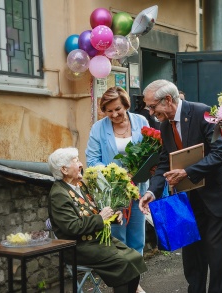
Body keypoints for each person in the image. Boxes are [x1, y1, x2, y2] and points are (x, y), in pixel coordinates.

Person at [139, 79, 222, 293]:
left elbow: (221, 154)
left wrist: (187, 172)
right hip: (190, 199)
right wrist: (151, 191)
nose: (149, 112)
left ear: (168, 100)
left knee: (217, 255)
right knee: (192, 257)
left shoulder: (202, 113)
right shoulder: (165, 125)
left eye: (152, 106)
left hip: (218, 196)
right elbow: (165, 162)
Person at [47, 147, 147, 293]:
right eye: (76, 161)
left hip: (95, 241)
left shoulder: (79, 185)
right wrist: (101, 218)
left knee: (134, 258)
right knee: (122, 264)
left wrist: (113, 216)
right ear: (64, 170)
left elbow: (93, 212)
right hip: (78, 247)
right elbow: (72, 227)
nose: (81, 164)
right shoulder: (58, 194)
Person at [86, 86, 149, 293]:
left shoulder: (141, 122)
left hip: (138, 187)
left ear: (126, 105)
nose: (113, 115)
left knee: (137, 237)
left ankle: (134, 280)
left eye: (117, 110)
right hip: (112, 191)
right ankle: (123, 282)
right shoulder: (98, 128)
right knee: (117, 237)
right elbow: (93, 160)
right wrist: (117, 176)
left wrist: (139, 171)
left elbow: (150, 151)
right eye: (108, 111)